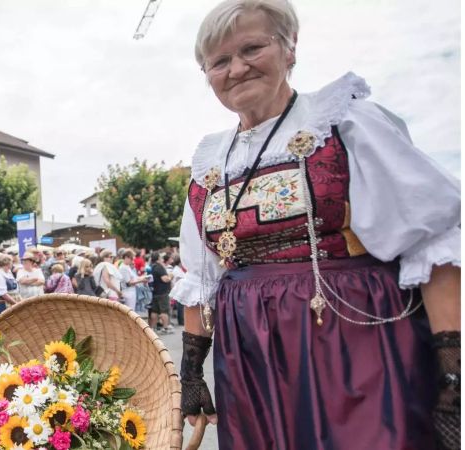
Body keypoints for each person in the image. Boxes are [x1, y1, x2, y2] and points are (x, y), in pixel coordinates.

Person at [174, 1, 461, 449]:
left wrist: (452, 370)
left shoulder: (344, 123)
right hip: (250, 353)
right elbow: (201, 277)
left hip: (352, 341)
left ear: (290, 49)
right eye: (220, 61)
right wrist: (192, 372)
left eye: (252, 48)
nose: (237, 68)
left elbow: (432, 240)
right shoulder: (210, 163)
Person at [148, 252, 173, 334]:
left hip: (155, 292)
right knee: (164, 311)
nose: (162, 259)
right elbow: (165, 279)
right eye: (161, 257)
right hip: (162, 292)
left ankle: (152, 328)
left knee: (154, 311)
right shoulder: (159, 267)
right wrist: (170, 276)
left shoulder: (152, 267)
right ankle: (165, 328)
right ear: (158, 258)